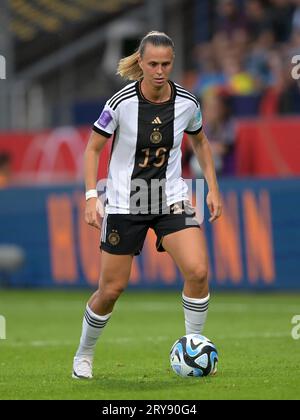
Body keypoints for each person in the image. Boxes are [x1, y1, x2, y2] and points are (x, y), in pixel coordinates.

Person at [72, 31, 222, 379]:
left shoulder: (187, 103)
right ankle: (84, 353)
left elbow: (201, 143)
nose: (159, 70)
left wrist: (212, 189)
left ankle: (194, 346)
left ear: (173, 62)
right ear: (140, 63)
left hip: (169, 197)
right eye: (152, 64)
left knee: (198, 272)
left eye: (166, 64)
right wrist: (91, 197)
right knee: (111, 290)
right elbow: (92, 148)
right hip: (126, 200)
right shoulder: (120, 103)